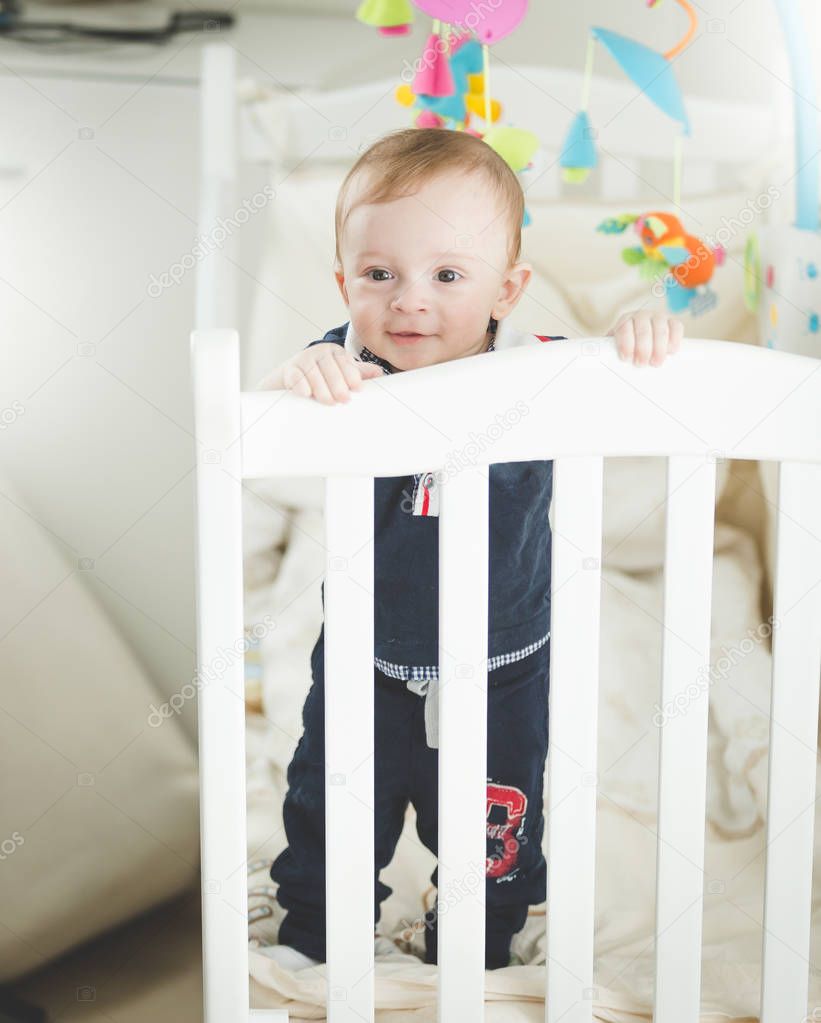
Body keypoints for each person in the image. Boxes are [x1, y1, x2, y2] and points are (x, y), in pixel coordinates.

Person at [255, 127, 683, 972]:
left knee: (497, 820)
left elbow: (630, 382)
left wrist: (640, 337)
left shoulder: (543, 372)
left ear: (505, 290)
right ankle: (317, 938)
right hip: (365, 658)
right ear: (345, 284)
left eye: (447, 276)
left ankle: (478, 945)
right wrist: (298, 371)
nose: (409, 301)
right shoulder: (342, 368)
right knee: (332, 804)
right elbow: (273, 408)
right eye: (379, 275)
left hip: (503, 661)